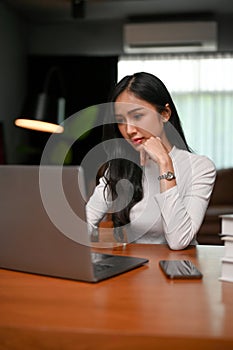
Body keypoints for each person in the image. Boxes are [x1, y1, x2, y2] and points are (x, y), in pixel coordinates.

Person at [86, 72, 216, 250]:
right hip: (133, 270)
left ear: (164, 114)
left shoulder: (200, 167)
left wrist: (164, 163)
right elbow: (84, 224)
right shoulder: (119, 167)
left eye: (137, 116)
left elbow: (179, 241)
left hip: (178, 268)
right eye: (121, 121)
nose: (129, 130)